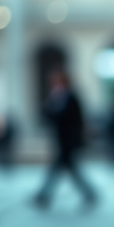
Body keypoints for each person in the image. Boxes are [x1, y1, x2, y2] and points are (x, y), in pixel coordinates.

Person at [33, 70, 98, 209]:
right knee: (69, 169)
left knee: (58, 168)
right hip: (62, 141)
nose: (54, 84)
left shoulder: (70, 97)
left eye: (56, 81)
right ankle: (88, 193)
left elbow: (64, 118)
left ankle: (44, 196)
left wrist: (48, 110)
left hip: (69, 141)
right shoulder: (57, 97)